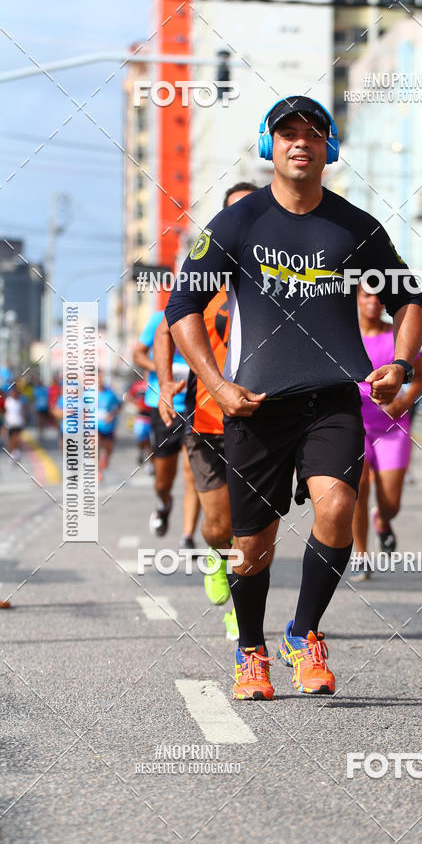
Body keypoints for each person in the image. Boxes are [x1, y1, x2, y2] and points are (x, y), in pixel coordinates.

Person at [166, 95, 422, 700]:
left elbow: (408, 300)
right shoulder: (237, 223)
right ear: (269, 146)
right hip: (254, 405)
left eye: (313, 133)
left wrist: (401, 362)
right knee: (252, 544)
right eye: (287, 134)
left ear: (329, 148)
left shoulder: (356, 227)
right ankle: (250, 651)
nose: (300, 142)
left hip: (332, 398)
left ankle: (305, 633)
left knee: (337, 506)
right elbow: (182, 309)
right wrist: (216, 383)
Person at [156, 182, 258, 641]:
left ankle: (244, 608)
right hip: (207, 420)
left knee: (252, 528)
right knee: (218, 527)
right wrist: (164, 386)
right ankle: (217, 558)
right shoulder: (205, 274)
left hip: (261, 422)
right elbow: (166, 330)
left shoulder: (282, 273)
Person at [350, 284, 422, 582]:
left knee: (391, 504)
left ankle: (382, 521)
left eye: (378, 296)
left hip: (392, 428)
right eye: (366, 295)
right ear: (356, 299)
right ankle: (360, 554)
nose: (373, 301)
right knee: (358, 491)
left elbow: (419, 379)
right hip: (355, 425)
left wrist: (404, 402)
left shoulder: (398, 337)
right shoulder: (347, 335)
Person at [133, 310, 200, 548]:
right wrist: (163, 368)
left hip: (195, 406)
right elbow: (137, 354)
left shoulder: (203, 316)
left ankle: (188, 535)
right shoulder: (159, 318)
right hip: (164, 406)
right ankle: (163, 504)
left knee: (193, 473)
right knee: (164, 479)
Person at [97, 373, 122, 481]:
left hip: (108, 427)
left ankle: (106, 458)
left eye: (99, 378)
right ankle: (98, 471)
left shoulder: (110, 394)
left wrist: (112, 415)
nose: (98, 381)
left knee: (108, 449)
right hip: (93, 426)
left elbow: (119, 406)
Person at [4, 385, 25, 461]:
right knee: (10, 440)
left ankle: (16, 452)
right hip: (10, 423)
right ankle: (14, 452)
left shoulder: (21, 401)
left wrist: (24, 419)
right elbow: (5, 412)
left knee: (16, 437)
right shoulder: (8, 401)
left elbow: (23, 411)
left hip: (18, 422)